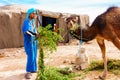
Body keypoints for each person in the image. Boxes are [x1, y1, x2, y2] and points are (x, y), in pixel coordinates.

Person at [22, 8, 38, 79]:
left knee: (34, 55)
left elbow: (35, 31)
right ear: (29, 14)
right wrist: (35, 34)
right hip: (28, 42)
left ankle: (33, 69)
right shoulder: (26, 21)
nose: (34, 15)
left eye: (35, 13)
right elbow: (27, 31)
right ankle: (28, 72)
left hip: (34, 42)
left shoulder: (33, 22)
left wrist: (37, 34)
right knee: (30, 56)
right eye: (33, 13)